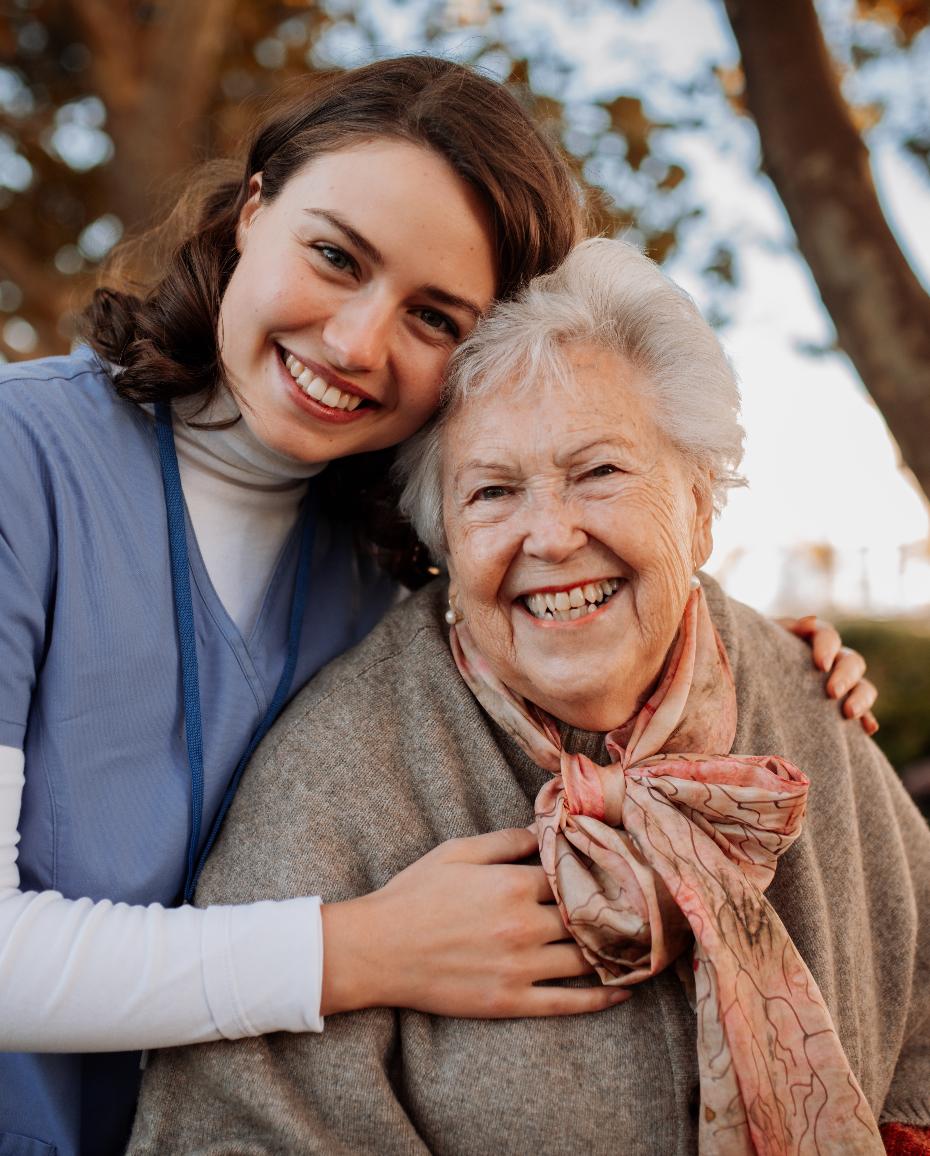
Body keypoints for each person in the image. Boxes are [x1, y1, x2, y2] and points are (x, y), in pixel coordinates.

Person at [0, 59, 874, 1156]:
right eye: (335, 256)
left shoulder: (385, 573)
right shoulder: (20, 467)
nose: (359, 343)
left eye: (433, 316)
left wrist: (753, 657)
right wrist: (354, 951)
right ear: (253, 209)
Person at [129, 239, 927, 1156]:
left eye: (599, 472)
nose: (550, 536)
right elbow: (229, 1127)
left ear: (701, 506)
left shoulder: (803, 689)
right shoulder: (335, 774)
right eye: (493, 492)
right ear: (443, 541)